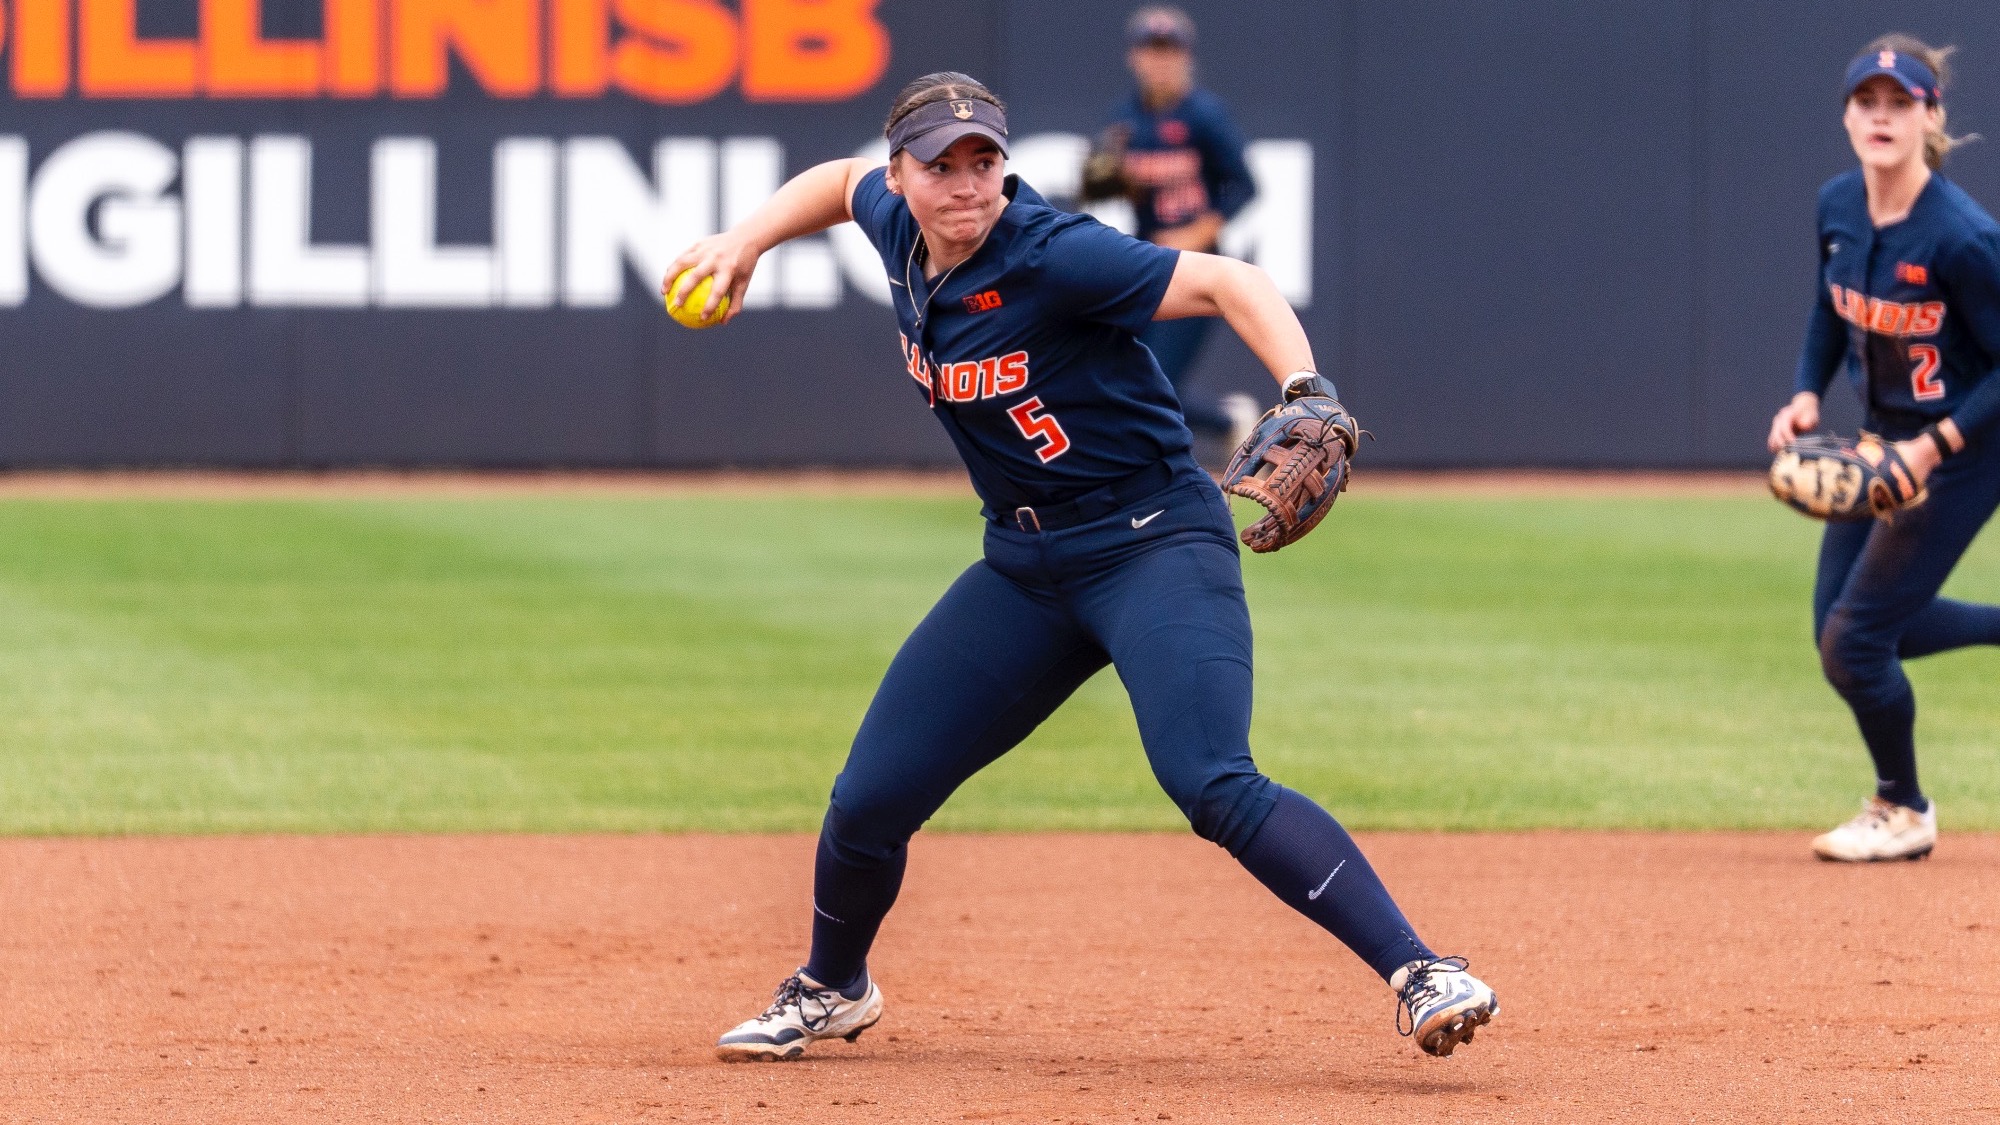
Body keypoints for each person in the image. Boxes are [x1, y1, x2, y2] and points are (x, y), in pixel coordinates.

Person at [663, 70, 1497, 1064]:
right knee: (867, 800)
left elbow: (1230, 282)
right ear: (905, 174)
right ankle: (831, 986)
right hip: (1024, 567)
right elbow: (839, 179)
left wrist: (1304, 387)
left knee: (1209, 780)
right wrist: (744, 238)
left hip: (1153, 545)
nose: (967, 185)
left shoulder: (1054, 256)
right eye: (941, 166)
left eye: (984, 162)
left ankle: (1419, 971)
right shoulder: (892, 221)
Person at [1767, 35, 2000, 863]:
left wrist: (1933, 449)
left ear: (1930, 117)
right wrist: (1804, 391)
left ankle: (1903, 805)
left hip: (1964, 454)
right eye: (1868, 101)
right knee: (1845, 627)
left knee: (1855, 642)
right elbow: (1830, 311)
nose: (1882, 116)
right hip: (1880, 450)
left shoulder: (1962, 237)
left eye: (1901, 103)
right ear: (1847, 116)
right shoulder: (1838, 206)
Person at [1086, 6, 1262, 450]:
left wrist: (1199, 230)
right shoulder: (1124, 116)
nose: (1160, 60)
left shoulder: (1204, 115)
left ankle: (1175, 477)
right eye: (1151, 50)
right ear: (1135, 57)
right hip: (1146, 261)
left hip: (1199, 264)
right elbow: (1099, 187)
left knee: (1152, 381)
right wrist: (1108, 175)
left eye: (1169, 51)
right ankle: (1226, 423)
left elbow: (1244, 185)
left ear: (1186, 57)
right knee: (1124, 376)